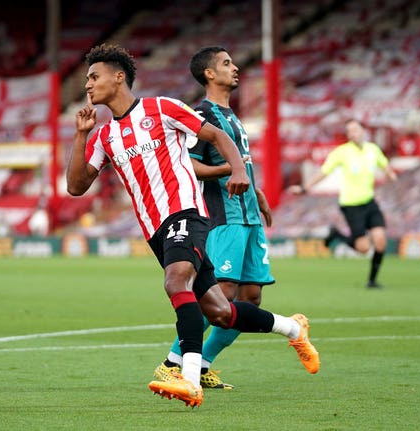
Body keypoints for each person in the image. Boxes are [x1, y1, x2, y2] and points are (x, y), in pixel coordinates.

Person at [67, 44, 319, 408]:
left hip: (187, 213)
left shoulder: (162, 108)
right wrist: (81, 135)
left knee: (175, 282)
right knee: (220, 310)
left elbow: (215, 136)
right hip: (156, 230)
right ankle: (294, 328)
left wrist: (236, 170)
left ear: (118, 77)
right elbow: (76, 186)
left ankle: (187, 380)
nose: (88, 86)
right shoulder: (105, 136)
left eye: (94, 77)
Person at [153, 46, 275, 390]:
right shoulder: (201, 115)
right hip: (222, 216)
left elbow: (244, 165)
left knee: (250, 297)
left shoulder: (232, 116)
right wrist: (227, 169)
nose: (235, 67)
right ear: (209, 73)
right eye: (226, 63)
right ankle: (173, 363)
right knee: (220, 291)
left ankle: (203, 363)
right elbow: (188, 163)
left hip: (248, 215)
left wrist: (258, 192)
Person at [289, 119, 397, 288]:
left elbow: (385, 164)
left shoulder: (373, 150)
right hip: (351, 204)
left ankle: (372, 281)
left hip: (369, 202)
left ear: (363, 131)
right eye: (349, 131)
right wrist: (304, 188)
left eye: (355, 129)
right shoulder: (342, 152)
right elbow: (323, 172)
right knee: (363, 249)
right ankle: (336, 234)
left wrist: (390, 173)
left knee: (381, 241)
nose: (352, 133)